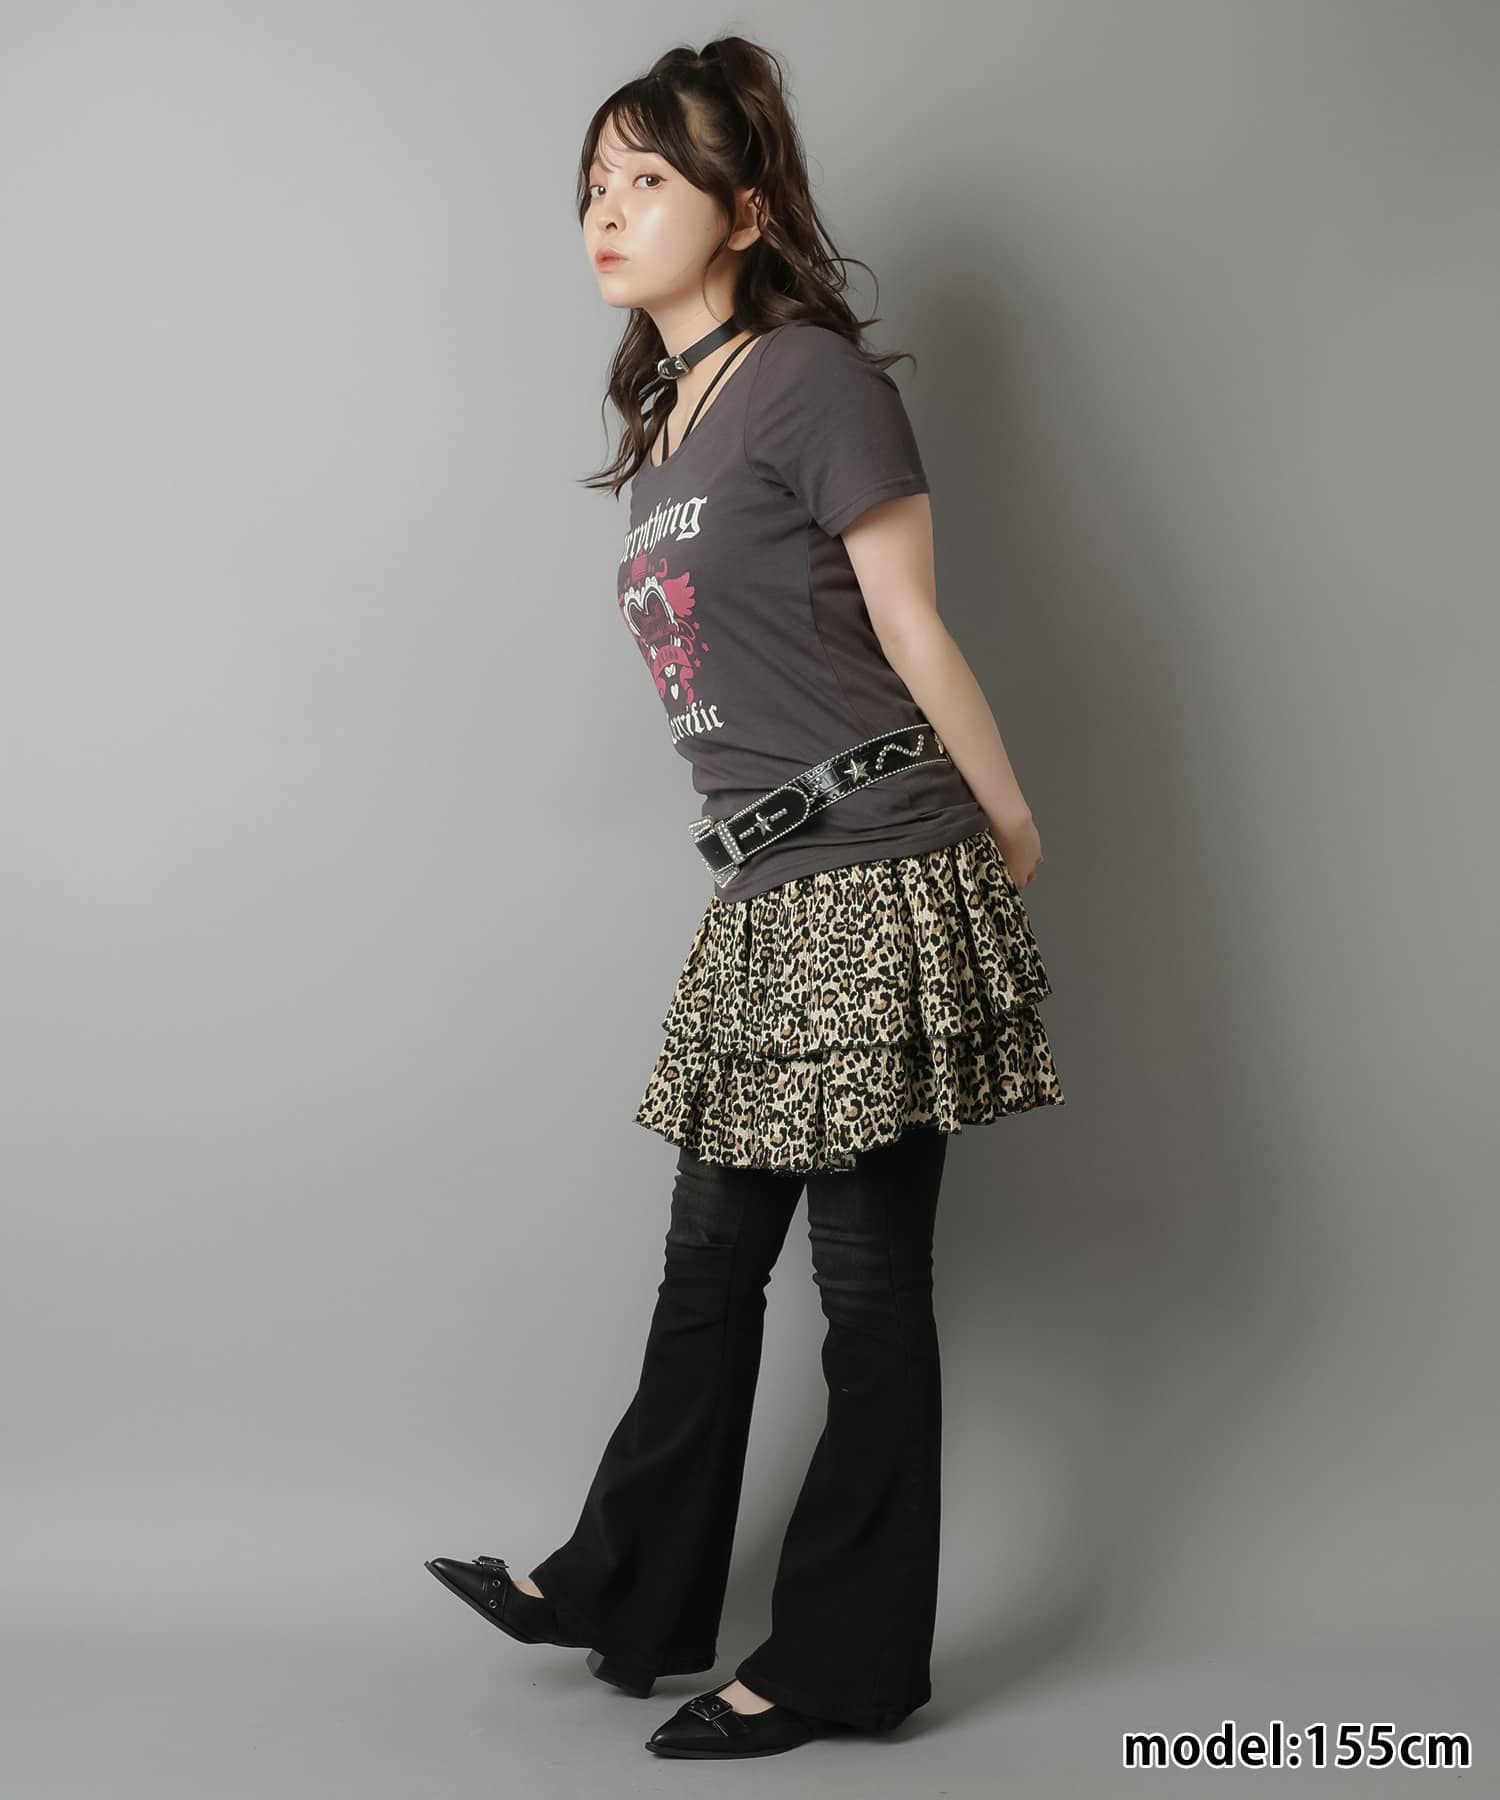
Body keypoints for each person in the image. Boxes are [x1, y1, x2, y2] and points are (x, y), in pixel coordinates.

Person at [425, 34, 1066, 1761]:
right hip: (767, 888)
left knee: (865, 1287)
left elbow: (909, 622)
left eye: (647, 180)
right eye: (593, 185)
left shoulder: (815, 382)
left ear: (746, 207)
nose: (605, 214)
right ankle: (623, 1587)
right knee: (707, 1263)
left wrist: (1007, 822)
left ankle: (841, 1663)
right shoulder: (664, 426)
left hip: (875, 858)